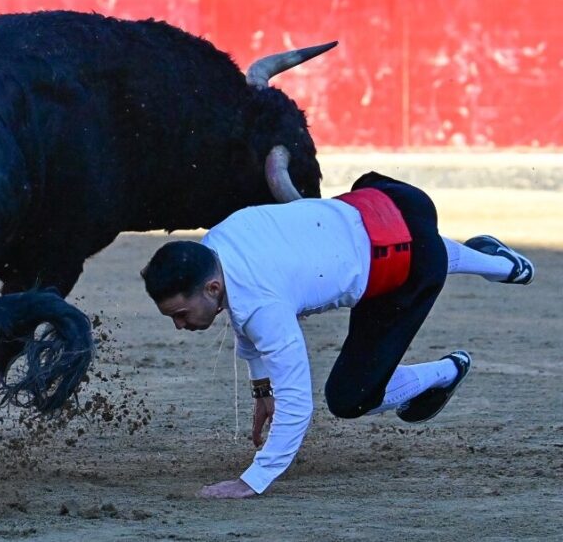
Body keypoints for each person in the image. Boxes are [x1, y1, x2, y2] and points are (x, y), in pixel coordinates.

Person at [140, 172, 535, 499]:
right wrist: (262, 389)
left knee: (349, 398)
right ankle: (503, 265)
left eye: (180, 314)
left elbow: (297, 403)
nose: (179, 325)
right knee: (408, 242)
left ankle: (448, 371)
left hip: (404, 272)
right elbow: (244, 314)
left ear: (211, 289)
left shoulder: (262, 307)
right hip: (387, 198)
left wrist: (252, 480)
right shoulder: (217, 244)